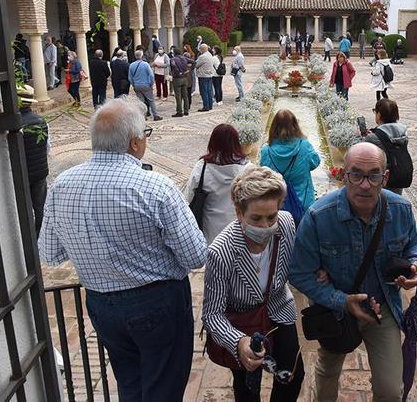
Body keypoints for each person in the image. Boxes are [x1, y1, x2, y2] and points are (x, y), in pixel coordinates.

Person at [39, 98, 207, 401]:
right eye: (145, 135)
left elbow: (50, 253)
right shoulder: (156, 187)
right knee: (163, 387)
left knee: (130, 384)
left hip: (102, 305)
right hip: (157, 303)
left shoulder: (62, 184)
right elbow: (195, 255)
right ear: (134, 143)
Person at [288, 142, 417, 402]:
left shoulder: (400, 210)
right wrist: (340, 300)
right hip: (335, 311)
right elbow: (299, 273)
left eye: (373, 175)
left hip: (381, 307)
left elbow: (413, 244)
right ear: (343, 174)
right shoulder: (318, 216)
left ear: (385, 178)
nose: (365, 184)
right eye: (356, 174)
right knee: (328, 371)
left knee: (390, 390)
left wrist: (415, 263)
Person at [202, 166, 305, 401]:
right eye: (256, 218)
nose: (265, 226)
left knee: (292, 376)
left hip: (279, 311)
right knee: (247, 387)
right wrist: (238, 343)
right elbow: (212, 315)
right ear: (239, 213)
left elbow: (297, 266)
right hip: (242, 323)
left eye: (271, 216)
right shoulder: (221, 252)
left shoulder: (287, 224)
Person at [183, 124, 251, 243]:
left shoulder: (203, 167)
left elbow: (187, 196)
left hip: (209, 229)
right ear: (236, 142)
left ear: (212, 143)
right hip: (238, 227)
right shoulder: (247, 169)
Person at [260, 109, 321, 211]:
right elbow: (315, 162)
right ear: (295, 125)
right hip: (303, 203)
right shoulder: (304, 146)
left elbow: (264, 174)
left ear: (274, 127)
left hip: (277, 206)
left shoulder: (266, 151)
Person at [17, 85, 49, 233]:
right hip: (40, 171)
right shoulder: (41, 121)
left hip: (22, 172)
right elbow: (47, 147)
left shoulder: (16, 124)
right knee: (40, 206)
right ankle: (39, 235)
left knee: (23, 208)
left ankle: (28, 237)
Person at [363, 99, 409, 195]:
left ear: (379, 115)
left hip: (383, 180)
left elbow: (361, 152)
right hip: (398, 175)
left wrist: (363, 137)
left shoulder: (373, 138)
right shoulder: (403, 132)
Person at [128, 50, 162, 121]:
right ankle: (155, 115)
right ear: (141, 56)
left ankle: (143, 116)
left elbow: (130, 78)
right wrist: (151, 83)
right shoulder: (146, 64)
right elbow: (151, 75)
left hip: (137, 85)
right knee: (151, 101)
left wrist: (134, 84)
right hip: (146, 85)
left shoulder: (131, 65)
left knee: (141, 102)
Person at [170, 48, 194, 116]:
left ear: (174, 53)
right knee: (185, 95)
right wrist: (190, 70)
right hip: (185, 78)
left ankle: (179, 111)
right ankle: (186, 110)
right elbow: (194, 62)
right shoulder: (184, 58)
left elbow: (173, 66)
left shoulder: (173, 59)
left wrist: (178, 72)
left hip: (177, 79)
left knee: (178, 96)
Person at [195, 44, 216, 111]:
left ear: (202, 49)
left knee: (204, 91)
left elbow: (196, 64)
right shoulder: (210, 54)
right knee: (209, 91)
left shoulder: (202, 56)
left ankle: (206, 106)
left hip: (203, 75)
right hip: (209, 75)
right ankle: (210, 105)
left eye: (200, 49)